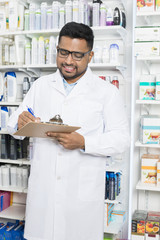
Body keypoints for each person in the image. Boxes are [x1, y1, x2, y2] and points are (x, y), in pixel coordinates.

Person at [8, 22, 129, 240]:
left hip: (81, 200)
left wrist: (83, 142)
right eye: (63, 52)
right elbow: (12, 123)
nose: (68, 61)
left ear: (90, 56)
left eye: (77, 55)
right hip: (44, 194)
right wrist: (20, 121)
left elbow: (121, 140)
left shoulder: (107, 93)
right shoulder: (41, 86)